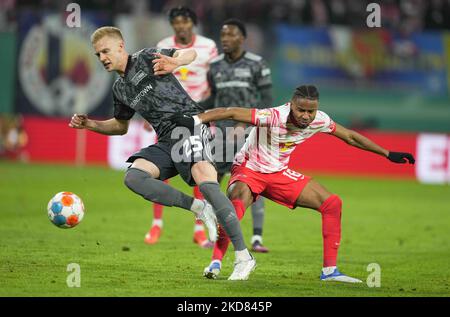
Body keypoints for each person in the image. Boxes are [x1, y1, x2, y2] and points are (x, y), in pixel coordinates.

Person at [173, 84, 415, 282]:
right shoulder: (274, 116)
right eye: (301, 110)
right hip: (249, 170)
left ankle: (330, 272)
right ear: (292, 105)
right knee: (235, 209)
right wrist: (196, 119)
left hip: (279, 173)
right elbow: (232, 112)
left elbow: (350, 136)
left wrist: (387, 153)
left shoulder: (319, 120)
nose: (306, 116)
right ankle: (217, 262)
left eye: (311, 111)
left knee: (332, 203)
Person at [68, 26, 256, 280]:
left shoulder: (146, 58)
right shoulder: (120, 89)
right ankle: (199, 208)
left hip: (188, 124)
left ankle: (244, 257)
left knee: (208, 182)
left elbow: (189, 53)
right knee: (134, 177)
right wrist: (91, 124)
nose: (102, 58)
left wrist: (174, 62)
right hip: (166, 138)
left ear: (121, 46)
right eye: (98, 55)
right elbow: (120, 126)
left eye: (105, 51)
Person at [145, 6, 219, 248]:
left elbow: (215, 80)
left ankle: (199, 229)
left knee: (199, 169)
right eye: (176, 22)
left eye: (185, 21)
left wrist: (211, 113)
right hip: (168, 115)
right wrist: (151, 114)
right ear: (172, 25)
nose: (181, 26)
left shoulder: (208, 46)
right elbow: (155, 81)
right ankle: (156, 225)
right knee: (159, 169)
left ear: (193, 23)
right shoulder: (164, 44)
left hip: (197, 116)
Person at [200, 18, 273, 254]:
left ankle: (257, 238)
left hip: (250, 133)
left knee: (252, 182)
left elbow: (266, 102)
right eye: (223, 36)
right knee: (213, 181)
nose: (225, 40)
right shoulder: (215, 66)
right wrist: (196, 110)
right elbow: (213, 99)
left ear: (242, 38)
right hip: (221, 133)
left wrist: (244, 123)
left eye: (231, 35)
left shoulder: (257, 64)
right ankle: (214, 233)